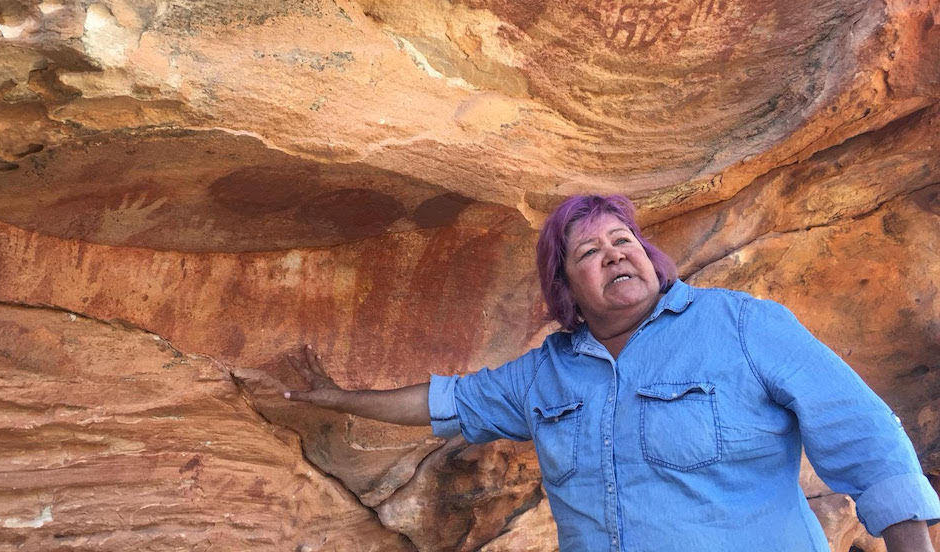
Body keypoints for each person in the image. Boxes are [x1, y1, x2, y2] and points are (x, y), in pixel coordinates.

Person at [240, 194, 940, 551]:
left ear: (648, 256)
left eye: (622, 240)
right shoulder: (546, 376)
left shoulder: (741, 325)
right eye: (589, 253)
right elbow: (445, 403)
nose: (614, 255)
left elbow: (868, 439)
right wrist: (332, 396)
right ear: (567, 289)